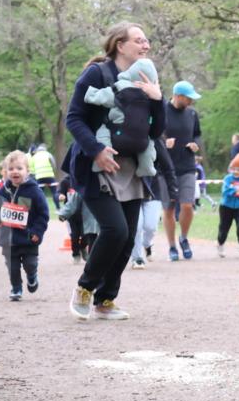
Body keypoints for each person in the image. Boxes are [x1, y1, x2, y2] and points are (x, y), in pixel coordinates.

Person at [66, 22, 164, 320]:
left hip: (131, 167)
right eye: (138, 40)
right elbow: (74, 119)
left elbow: (157, 130)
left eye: (147, 40)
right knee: (115, 230)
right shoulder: (97, 74)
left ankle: (105, 300)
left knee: (127, 237)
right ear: (120, 45)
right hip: (97, 165)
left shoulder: (147, 77)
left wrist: (158, 100)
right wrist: (96, 149)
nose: (145, 45)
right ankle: (85, 288)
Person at [0, 151, 48, 301]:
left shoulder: (35, 191)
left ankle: (32, 276)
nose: (15, 171)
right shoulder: (3, 190)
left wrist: (37, 231)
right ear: (6, 172)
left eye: (19, 168)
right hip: (8, 238)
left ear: (27, 171)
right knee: (12, 268)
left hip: (29, 237)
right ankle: (16, 289)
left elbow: (43, 214)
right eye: (11, 169)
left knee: (30, 264)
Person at [84, 59, 160, 178]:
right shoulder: (151, 95)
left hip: (118, 136)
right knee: (150, 143)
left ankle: (103, 162)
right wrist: (158, 98)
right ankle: (147, 167)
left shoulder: (121, 87)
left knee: (102, 132)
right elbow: (158, 127)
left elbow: (104, 97)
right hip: (142, 142)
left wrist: (90, 94)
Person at [162, 80, 203, 261]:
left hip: (187, 166)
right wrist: (164, 142)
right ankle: (172, 247)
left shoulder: (192, 114)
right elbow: (152, 134)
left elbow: (197, 135)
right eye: (189, 98)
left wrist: (196, 145)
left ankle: (184, 238)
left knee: (187, 205)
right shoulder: (161, 111)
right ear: (178, 96)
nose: (191, 102)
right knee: (169, 208)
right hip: (166, 167)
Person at [131, 136, 178, 269]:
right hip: (131, 187)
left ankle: (147, 244)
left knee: (150, 226)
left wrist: (173, 189)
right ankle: (137, 258)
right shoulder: (126, 137)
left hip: (153, 188)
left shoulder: (155, 140)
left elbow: (168, 167)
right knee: (137, 225)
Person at [58, 187, 99, 265]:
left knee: (87, 237)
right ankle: (77, 255)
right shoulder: (71, 183)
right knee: (75, 236)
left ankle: (84, 249)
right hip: (74, 217)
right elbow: (73, 200)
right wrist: (63, 213)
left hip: (88, 217)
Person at [29, 143, 61, 210]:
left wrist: (36, 173)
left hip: (39, 177)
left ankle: (41, 208)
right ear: (45, 149)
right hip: (50, 176)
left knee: (40, 194)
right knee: (54, 192)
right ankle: (58, 208)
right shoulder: (48, 154)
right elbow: (53, 164)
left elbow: (32, 167)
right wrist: (52, 171)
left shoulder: (34, 156)